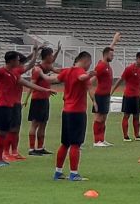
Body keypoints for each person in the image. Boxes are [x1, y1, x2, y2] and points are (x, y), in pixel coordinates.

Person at [0, 50, 52, 166]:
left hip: (11, 106)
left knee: (9, 131)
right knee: (1, 133)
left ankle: (2, 157)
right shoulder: (2, 71)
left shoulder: (15, 74)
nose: (19, 61)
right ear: (12, 61)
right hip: (2, 106)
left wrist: (45, 90)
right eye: (17, 60)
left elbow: (28, 84)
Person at [54, 51, 95, 182]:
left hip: (66, 110)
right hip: (77, 112)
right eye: (89, 63)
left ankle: (58, 172)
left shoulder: (67, 71)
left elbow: (55, 79)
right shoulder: (79, 71)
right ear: (86, 61)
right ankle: (73, 173)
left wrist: (42, 74)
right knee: (75, 144)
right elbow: (81, 78)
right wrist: (89, 74)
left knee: (64, 143)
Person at [26, 45, 60, 156]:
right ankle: (31, 149)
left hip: (45, 99)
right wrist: (26, 99)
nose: (52, 57)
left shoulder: (48, 67)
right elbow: (31, 84)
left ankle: (40, 147)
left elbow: (57, 70)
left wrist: (58, 51)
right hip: (37, 100)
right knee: (35, 124)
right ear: (46, 57)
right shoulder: (37, 69)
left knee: (43, 124)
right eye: (51, 55)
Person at [90, 33, 122, 147]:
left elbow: (109, 49)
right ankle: (96, 141)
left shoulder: (106, 63)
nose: (113, 57)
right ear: (106, 55)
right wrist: (93, 98)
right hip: (100, 95)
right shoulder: (101, 66)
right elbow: (91, 80)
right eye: (111, 56)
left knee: (104, 118)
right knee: (98, 117)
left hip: (106, 95)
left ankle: (102, 139)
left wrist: (114, 41)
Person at [111, 51, 140, 142]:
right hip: (128, 95)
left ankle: (137, 135)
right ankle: (125, 136)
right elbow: (121, 79)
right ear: (137, 59)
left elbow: (139, 76)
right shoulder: (129, 68)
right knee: (126, 115)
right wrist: (113, 90)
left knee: (137, 116)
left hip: (137, 96)